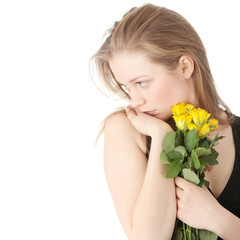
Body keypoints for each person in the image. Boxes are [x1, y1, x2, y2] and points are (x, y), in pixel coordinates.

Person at [92, 3, 240, 240]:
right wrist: (162, 138)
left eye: (141, 82)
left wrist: (219, 220)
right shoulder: (128, 130)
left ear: (185, 66)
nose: (135, 100)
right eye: (126, 87)